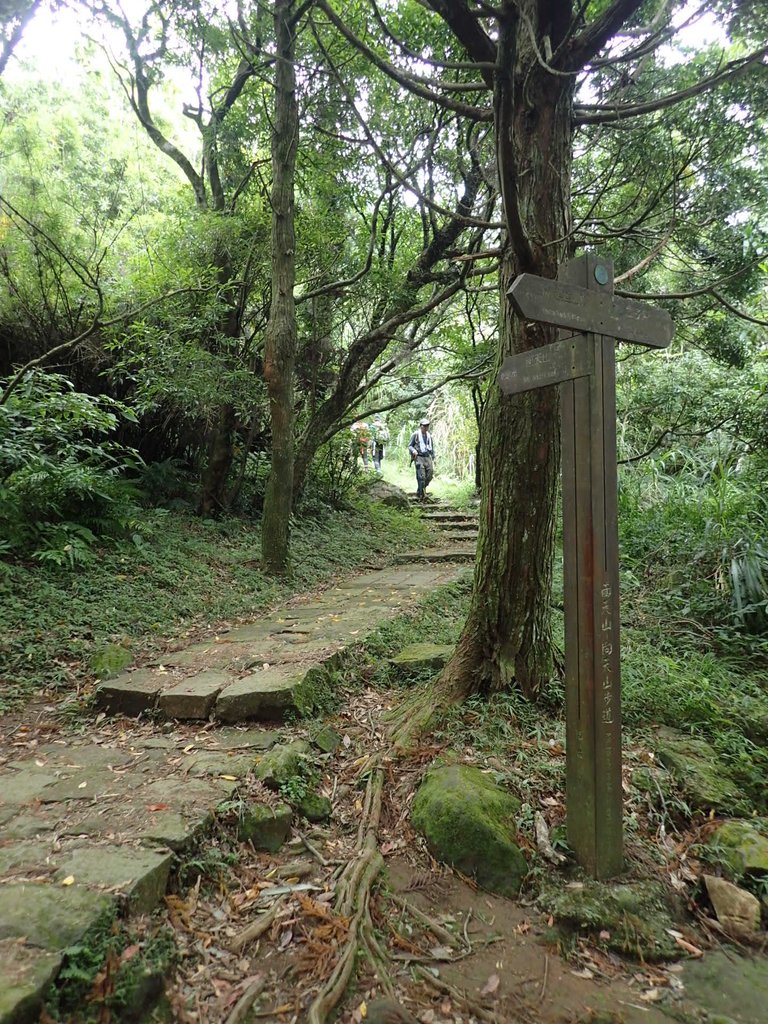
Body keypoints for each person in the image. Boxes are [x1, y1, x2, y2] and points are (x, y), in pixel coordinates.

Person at [408, 417, 435, 500]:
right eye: (425, 425)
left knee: (430, 475)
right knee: (421, 476)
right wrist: (414, 451)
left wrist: (434, 456)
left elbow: (432, 448)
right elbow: (410, 446)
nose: (426, 427)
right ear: (421, 426)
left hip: (427, 456)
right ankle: (421, 494)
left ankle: (420, 490)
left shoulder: (429, 436)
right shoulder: (415, 435)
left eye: (427, 425)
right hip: (419, 457)